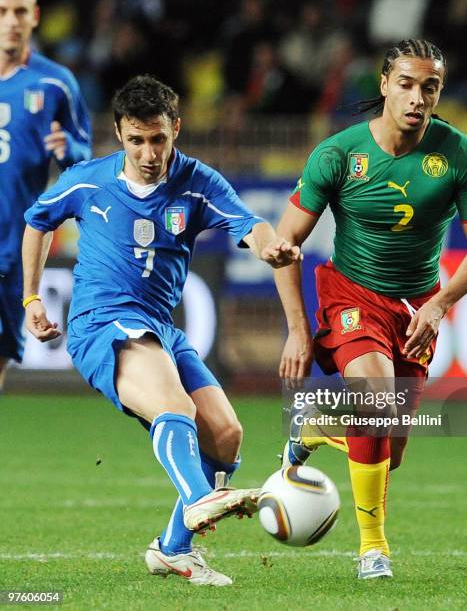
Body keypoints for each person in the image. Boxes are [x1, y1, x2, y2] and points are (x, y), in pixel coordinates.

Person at [22, 75, 301, 586]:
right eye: (136, 140)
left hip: (162, 330)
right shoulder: (88, 181)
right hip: (101, 325)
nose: (149, 153)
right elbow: (38, 221)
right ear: (119, 135)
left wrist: (272, 247)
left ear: (176, 128)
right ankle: (199, 498)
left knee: (226, 436)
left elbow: (249, 225)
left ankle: (174, 549)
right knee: (177, 408)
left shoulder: (198, 183)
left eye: (158, 139)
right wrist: (32, 297)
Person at [274, 39, 467, 579]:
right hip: (352, 295)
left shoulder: (458, 153)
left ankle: (313, 429)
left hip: (418, 304)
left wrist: (442, 303)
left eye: (430, 86)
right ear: (383, 85)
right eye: (406, 83)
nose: (418, 97)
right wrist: (298, 330)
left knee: (387, 447)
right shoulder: (337, 154)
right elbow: (286, 243)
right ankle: (373, 548)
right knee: (376, 402)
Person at [0, 0, 91, 389]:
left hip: (11, 244)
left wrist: (68, 149)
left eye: (20, 11)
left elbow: (85, 154)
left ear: (35, 17)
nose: (11, 22)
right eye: (2, 11)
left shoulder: (55, 82)